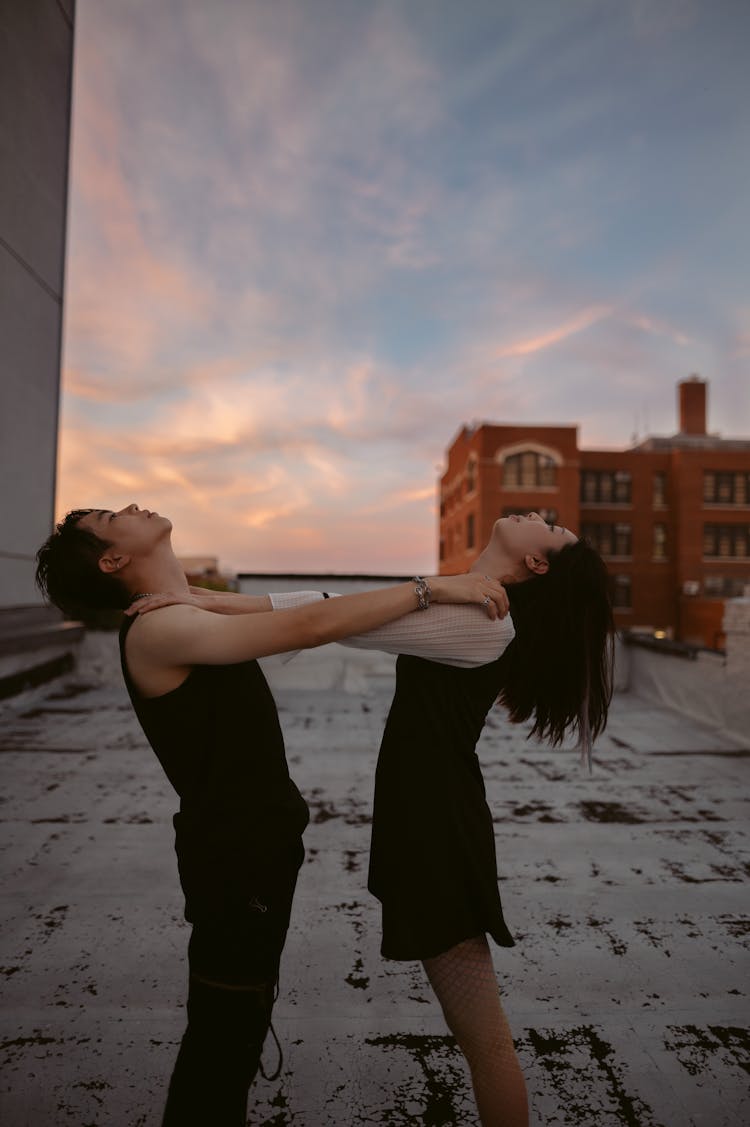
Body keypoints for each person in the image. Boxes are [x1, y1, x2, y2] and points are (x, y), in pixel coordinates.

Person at [127, 510, 615, 1126]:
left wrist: (212, 604)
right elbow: (334, 609)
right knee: (481, 1042)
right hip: (426, 818)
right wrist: (205, 599)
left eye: (553, 529)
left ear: (537, 564)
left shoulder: (483, 621)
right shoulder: (470, 603)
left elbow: (334, 619)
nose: (540, 516)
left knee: (486, 1046)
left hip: (438, 832)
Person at [34, 503, 510, 1127]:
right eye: (110, 515)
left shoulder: (182, 611)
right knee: (222, 1045)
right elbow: (310, 625)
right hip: (234, 863)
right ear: (112, 559)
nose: (130, 505)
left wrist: (212, 598)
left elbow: (296, 614)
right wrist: (433, 588)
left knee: (235, 1029)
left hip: (251, 855)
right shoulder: (160, 630)